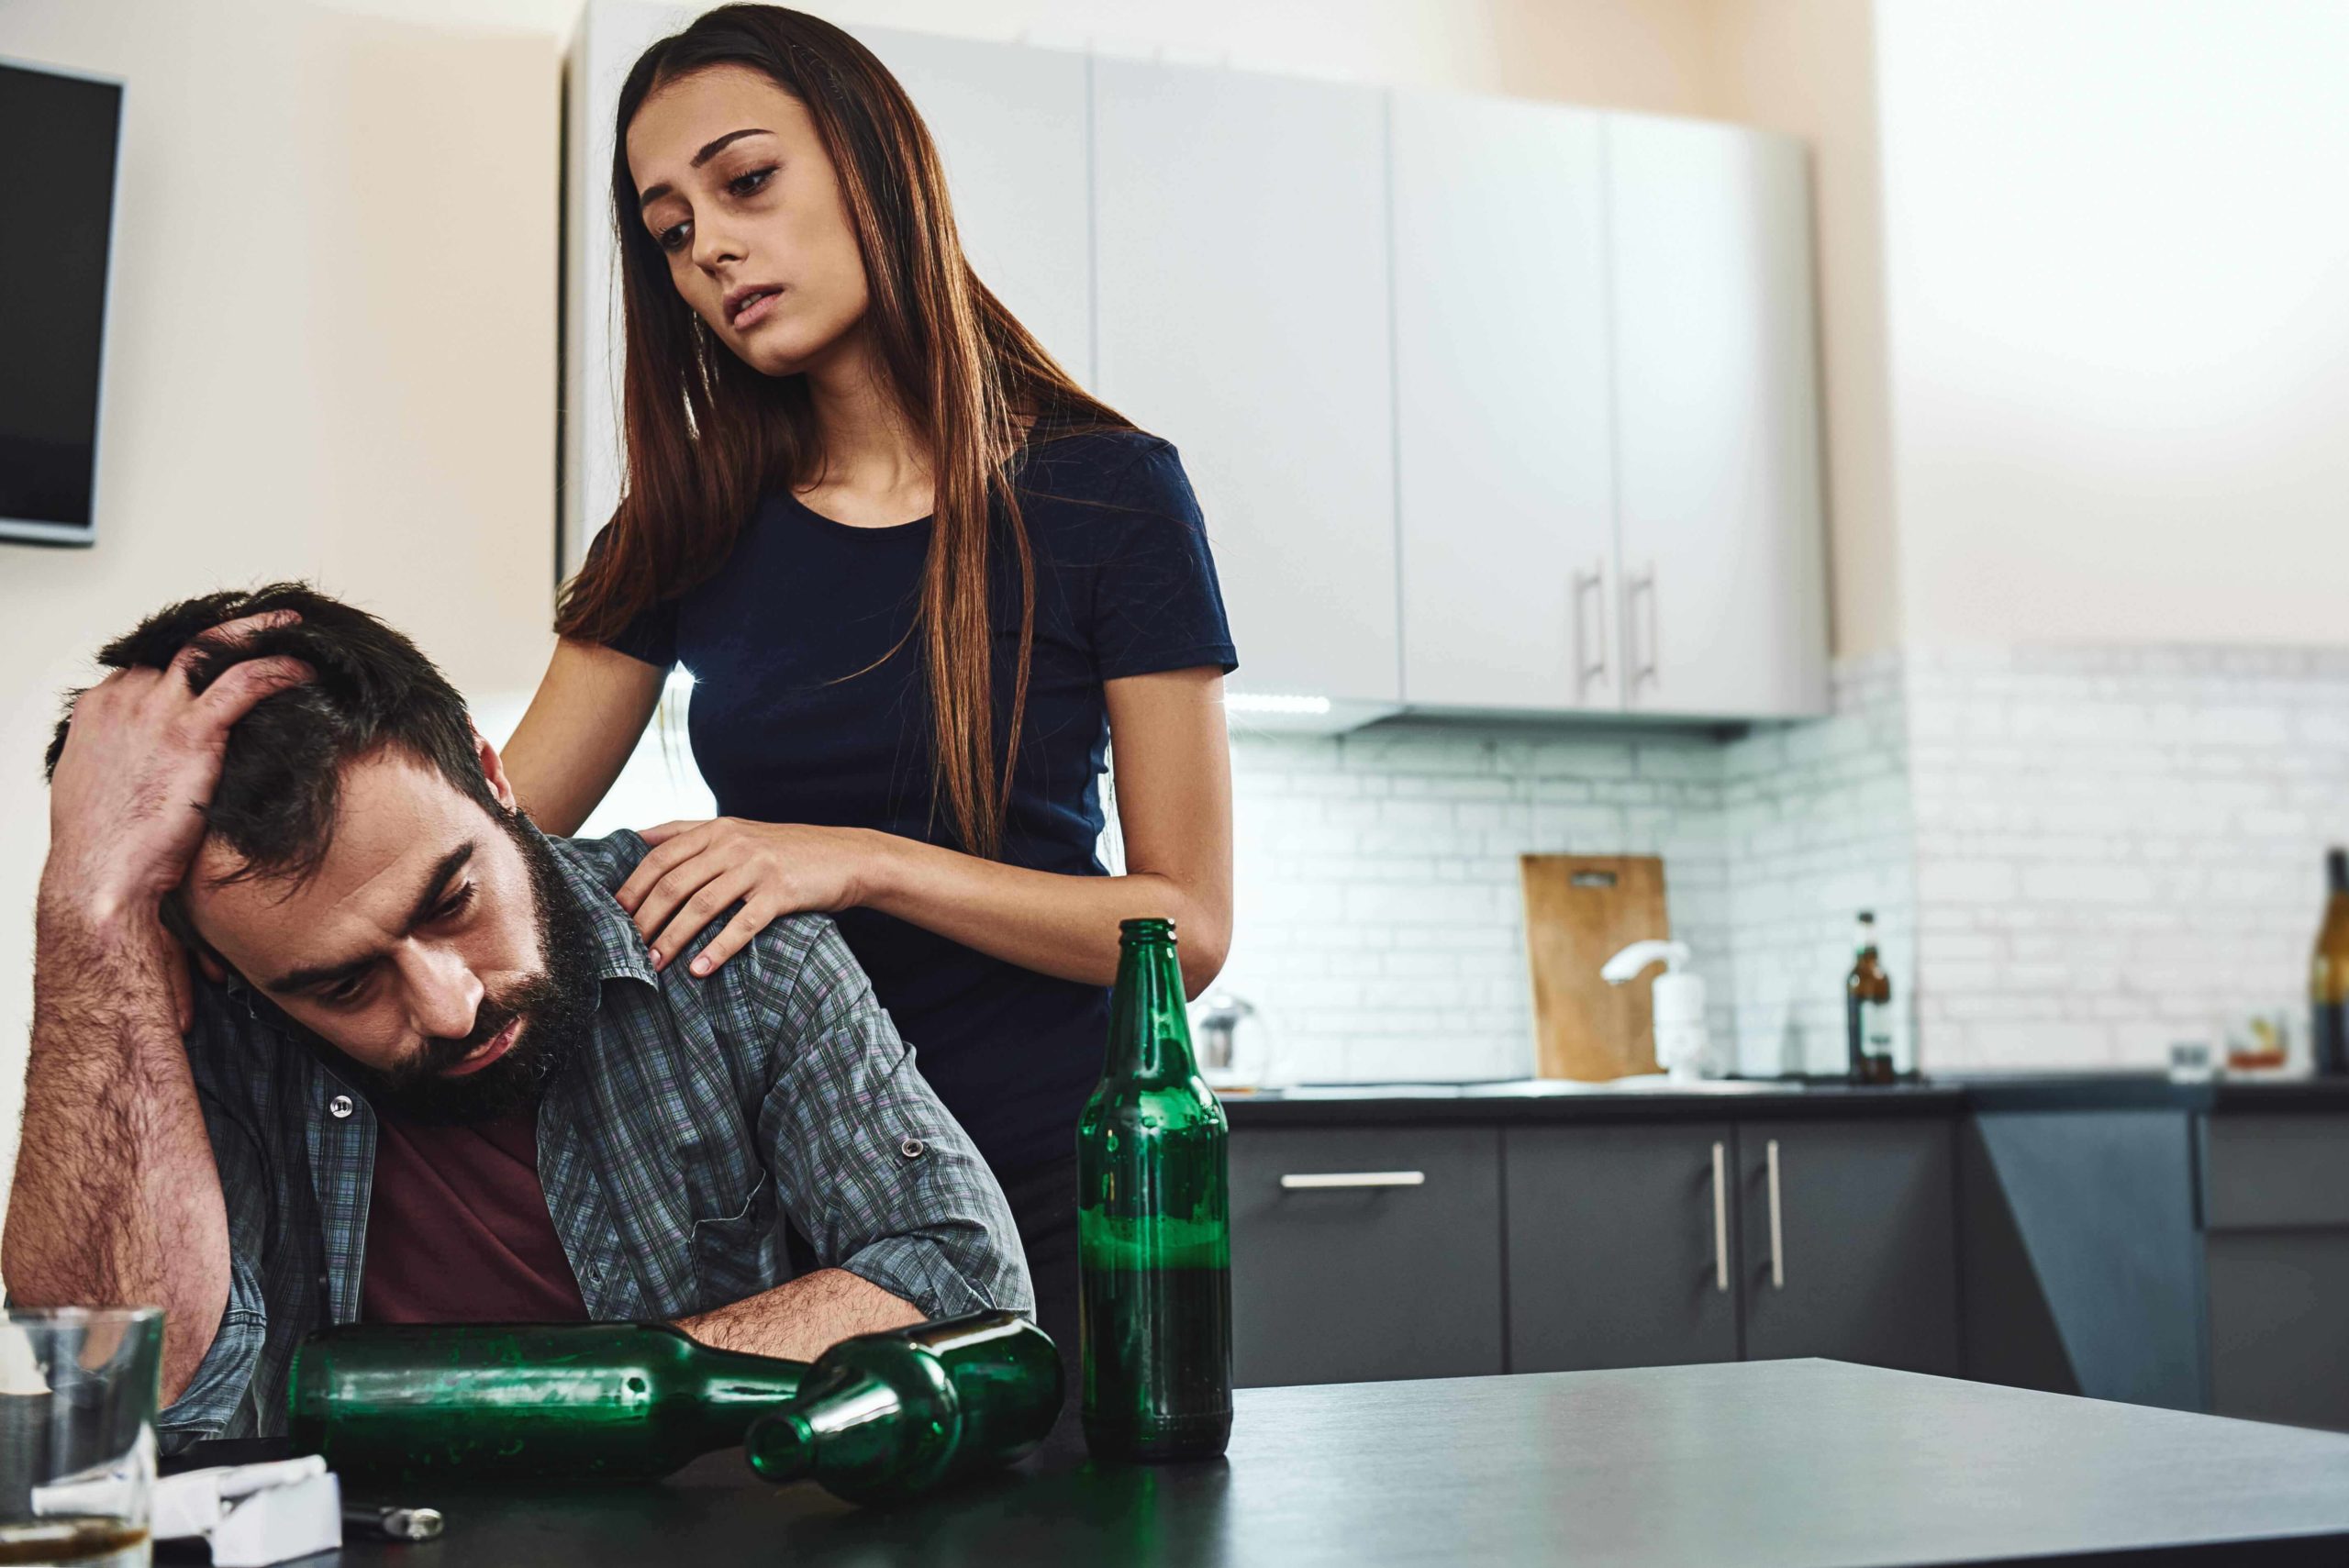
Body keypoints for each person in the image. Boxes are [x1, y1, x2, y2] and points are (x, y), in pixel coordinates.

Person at [500, 4, 1238, 1398]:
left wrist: (863, 866)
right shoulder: (681, 530)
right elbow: (488, 847)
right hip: (784, 1212)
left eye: (746, 181)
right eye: (669, 230)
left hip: (1053, 1196)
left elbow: (1185, 931)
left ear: (871, 162)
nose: (709, 246)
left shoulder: (1110, 496)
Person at [6, 584, 1030, 1451]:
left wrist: (542, 1397)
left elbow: (965, 1284)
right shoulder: (185, 1032)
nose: (451, 1008)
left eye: (452, 901)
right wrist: (87, 918)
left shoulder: (732, 942)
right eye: (341, 984)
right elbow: (115, 1419)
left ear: (493, 780)